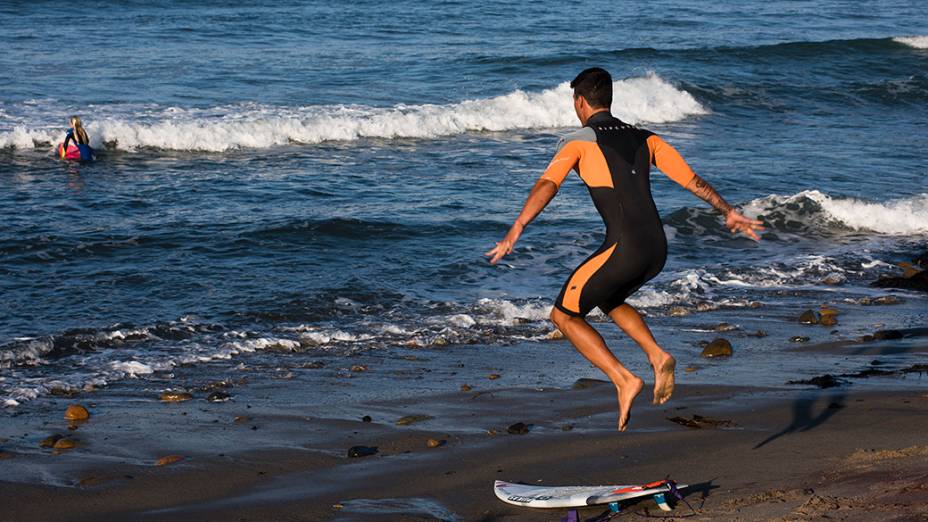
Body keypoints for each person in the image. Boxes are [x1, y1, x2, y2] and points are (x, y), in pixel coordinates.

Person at [485, 68, 764, 431]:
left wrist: (517, 227)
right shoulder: (647, 138)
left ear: (579, 102)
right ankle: (656, 354)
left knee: (564, 316)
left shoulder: (578, 141)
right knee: (609, 297)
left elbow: (547, 184)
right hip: (656, 248)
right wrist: (729, 212)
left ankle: (623, 378)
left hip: (624, 246)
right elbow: (691, 180)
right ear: (609, 100)